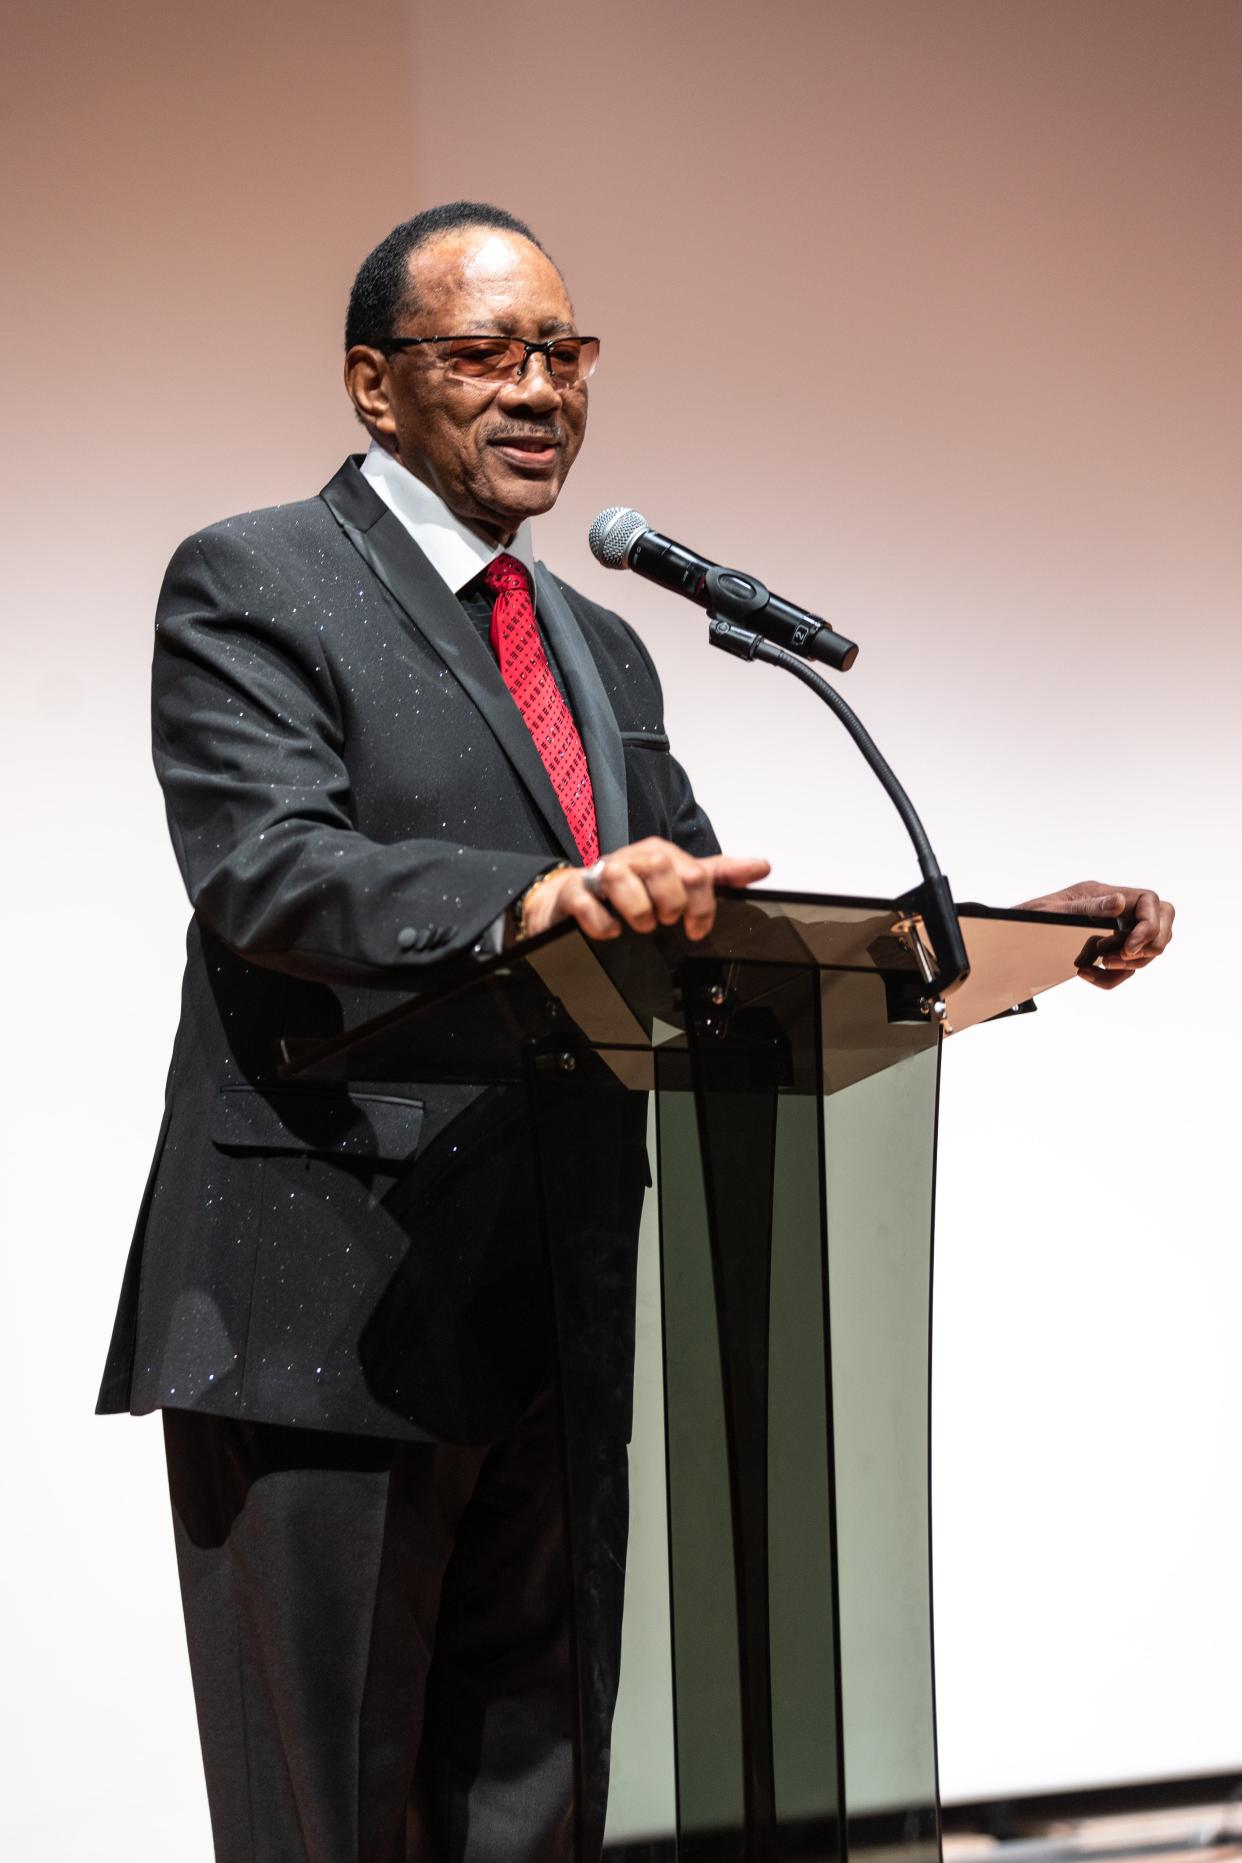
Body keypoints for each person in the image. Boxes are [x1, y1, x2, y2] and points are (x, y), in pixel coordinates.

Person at [97, 201, 1174, 1863]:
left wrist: (989, 941)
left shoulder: (593, 643)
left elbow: (699, 937)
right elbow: (267, 866)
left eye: (563, 352)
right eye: (485, 355)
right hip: (325, 1311)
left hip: (558, 1308)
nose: (538, 390)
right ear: (376, 386)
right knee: (331, 1824)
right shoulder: (259, 578)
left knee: (529, 1821)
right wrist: (529, 898)